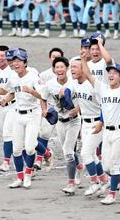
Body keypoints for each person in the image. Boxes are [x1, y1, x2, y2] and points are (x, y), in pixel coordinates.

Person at [81, 38, 120, 205]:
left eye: (114, 73)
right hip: (106, 132)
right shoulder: (102, 88)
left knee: (114, 166)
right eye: (109, 72)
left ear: (119, 76)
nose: (110, 74)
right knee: (106, 167)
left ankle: (112, 194)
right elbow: (87, 74)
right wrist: (83, 59)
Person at [0, 49, 46, 189]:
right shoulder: (13, 77)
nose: (15, 64)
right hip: (18, 114)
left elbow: (43, 95)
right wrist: (4, 99)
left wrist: (30, 90)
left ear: (25, 63)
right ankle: (20, 177)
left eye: (18, 61)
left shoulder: (33, 76)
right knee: (16, 149)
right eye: (13, 61)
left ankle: (28, 174)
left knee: (30, 148)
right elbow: (8, 92)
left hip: (33, 115)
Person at [40, 57, 81, 194]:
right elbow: (43, 98)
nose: (59, 70)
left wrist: (78, 109)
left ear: (67, 68)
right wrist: (44, 110)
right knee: (68, 151)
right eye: (57, 67)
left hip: (74, 121)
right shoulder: (50, 84)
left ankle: (71, 183)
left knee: (68, 152)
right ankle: (79, 166)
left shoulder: (74, 83)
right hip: (59, 122)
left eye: (62, 67)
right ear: (54, 70)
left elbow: (85, 99)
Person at [69, 58, 108, 197]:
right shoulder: (75, 83)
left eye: (75, 67)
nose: (72, 69)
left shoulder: (93, 86)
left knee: (85, 153)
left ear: (84, 69)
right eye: (71, 67)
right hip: (85, 123)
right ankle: (104, 180)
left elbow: (105, 104)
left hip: (97, 123)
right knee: (91, 155)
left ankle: (94, 182)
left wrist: (101, 122)